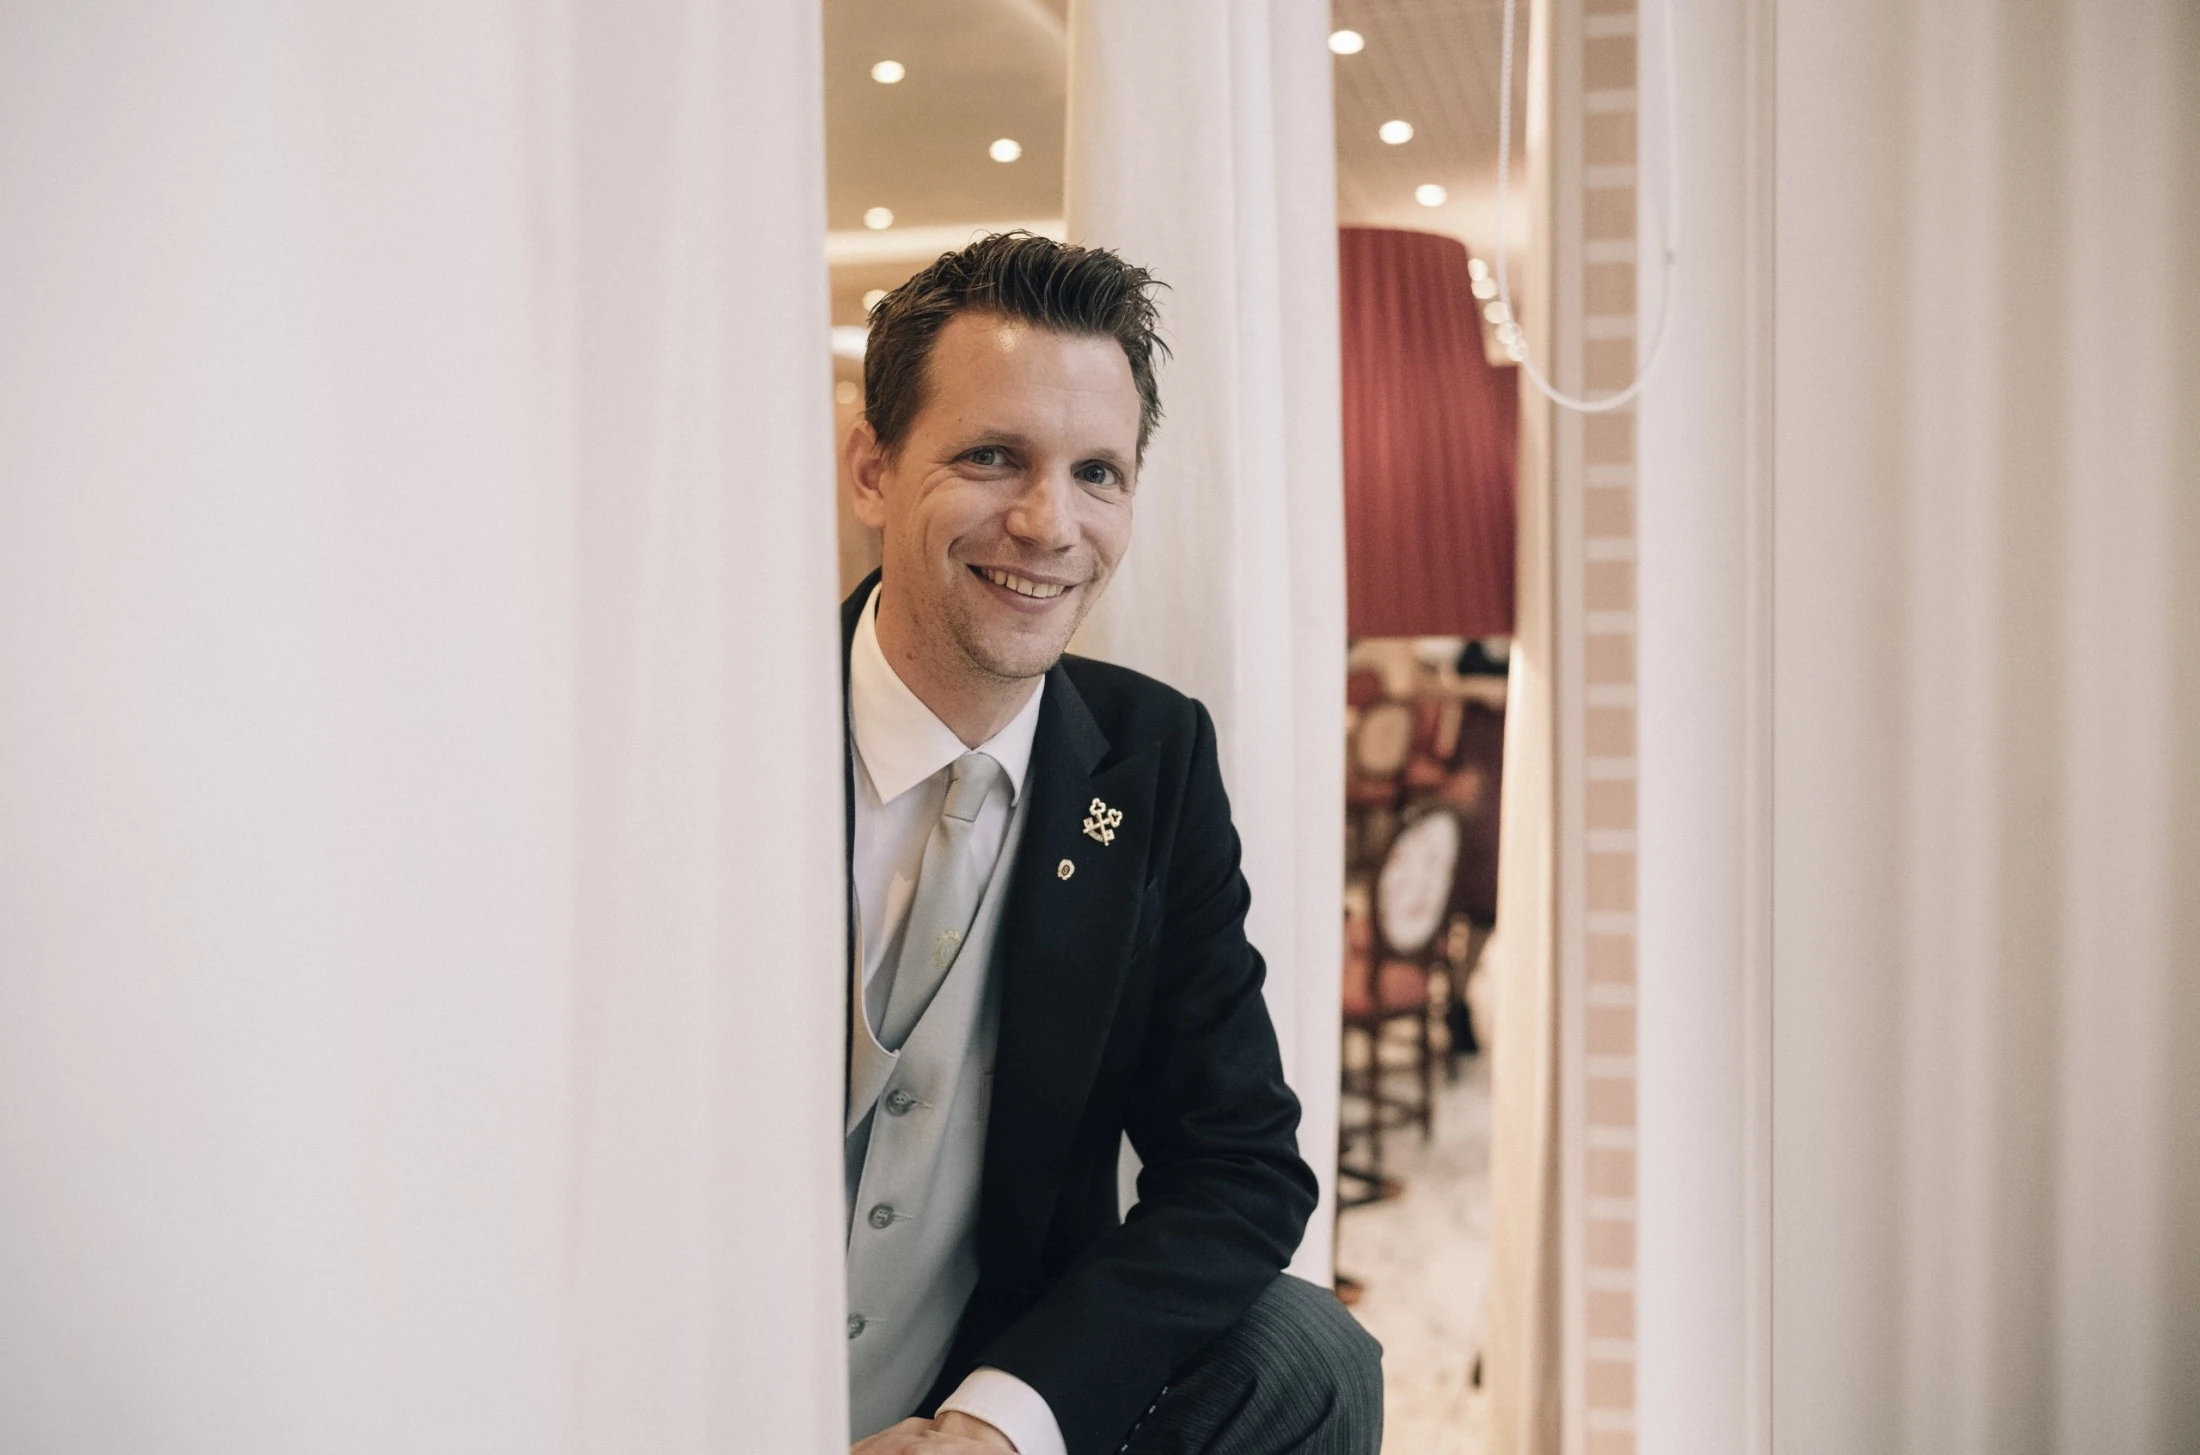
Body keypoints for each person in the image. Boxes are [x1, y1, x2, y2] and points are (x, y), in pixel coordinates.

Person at [838, 233, 1382, 1455]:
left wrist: (998, 1423)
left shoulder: (1154, 755)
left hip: (961, 1387)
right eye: (991, 457)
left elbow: (1241, 1164)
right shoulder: (710, 741)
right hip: (686, 1388)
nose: (1048, 524)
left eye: (1099, 473)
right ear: (871, 468)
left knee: (1310, 1357)